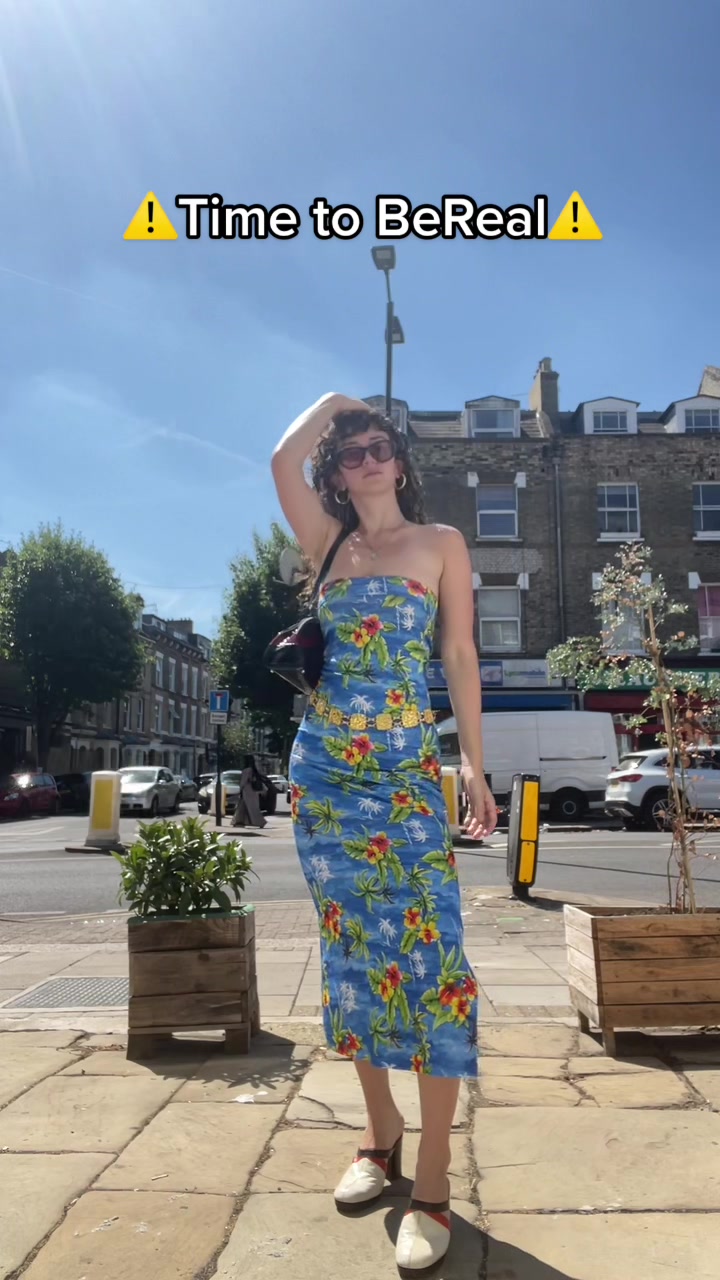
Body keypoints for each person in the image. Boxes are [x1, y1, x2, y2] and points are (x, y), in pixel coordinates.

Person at [271, 393, 496, 1271]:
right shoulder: (327, 543)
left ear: (401, 460)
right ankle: (380, 1133)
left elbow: (459, 654)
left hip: (404, 774)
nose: (366, 458)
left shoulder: (441, 543)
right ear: (337, 471)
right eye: (350, 451)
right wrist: (336, 400)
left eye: (379, 445)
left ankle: (434, 1178)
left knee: (433, 959)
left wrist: (472, 763)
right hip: (324, 775)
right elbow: (279, 461)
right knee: (351, 953)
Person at [231, 753, 267, 828]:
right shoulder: (253, 770)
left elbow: (243, 781)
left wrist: (240, 789)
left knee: (250, 807)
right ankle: (238, 821)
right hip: (253, 791)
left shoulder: (246, 770)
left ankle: (260, 822)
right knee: (244, 806)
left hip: (247, 791)